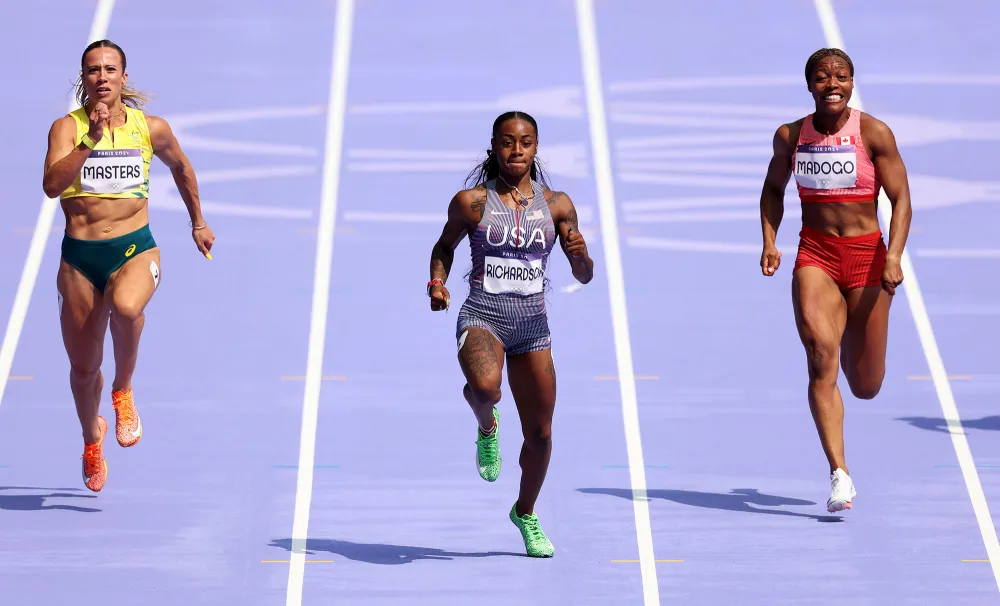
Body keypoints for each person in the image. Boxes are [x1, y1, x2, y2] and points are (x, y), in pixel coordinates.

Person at [41, 39, 214, 493]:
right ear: (85, 79)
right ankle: (91, 439)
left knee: (127, 305)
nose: (102, 77)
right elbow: (52, 186)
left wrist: (198, 221)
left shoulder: (149, 128)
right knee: (82, 369)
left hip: (134, 248)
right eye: (93, 70)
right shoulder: (66, 128)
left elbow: (181, 168)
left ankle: (123, 390)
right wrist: (90, 142)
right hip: (79, 259)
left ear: (122, 76)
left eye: (109, 69)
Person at [427, 111, 594, 557]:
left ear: (536, 148)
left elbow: (585, 273)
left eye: (524, 143)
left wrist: (581, 256)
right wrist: (437, 283)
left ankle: (525, 512)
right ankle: (487, 428)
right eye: (506, 142)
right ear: (494, 148)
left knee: (540, 435)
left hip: (532, 326)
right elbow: (444, 246)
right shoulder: (472, 203)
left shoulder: (557, 204)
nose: (515, 151)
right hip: (484, 314)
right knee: (485, 389)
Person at [759, 48, 911, 513]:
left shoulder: (873, 133)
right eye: (823, 77)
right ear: (809, 86)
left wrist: (894, 256)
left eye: (842, 76)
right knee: (820, 353)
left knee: (865, 384)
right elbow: (772, 190)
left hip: (867, 259)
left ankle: (849, 343)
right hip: (817, 255)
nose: (832, 84)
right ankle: (839, 472)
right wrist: (769, 240)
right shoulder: (790, 136)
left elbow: (901, 197)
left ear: (851, 84)